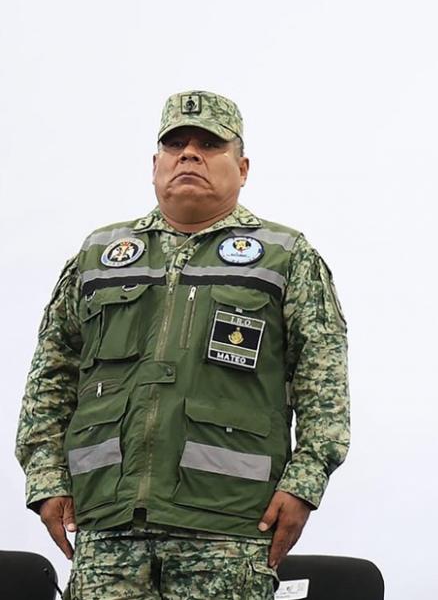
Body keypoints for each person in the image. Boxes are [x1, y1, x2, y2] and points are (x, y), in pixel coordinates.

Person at [15, 90, 350, 599]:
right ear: (155, 165)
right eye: (175, 145)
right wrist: (45, 479)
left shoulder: (285, 256)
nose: (189, 155)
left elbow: (324, 384)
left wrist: (304, 483)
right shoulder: (100, 255)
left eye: (209, 145)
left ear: (243, 168)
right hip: (106, 529)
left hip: (229, 531)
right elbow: (51, 375)